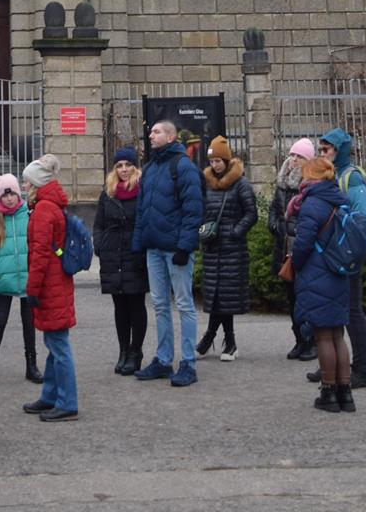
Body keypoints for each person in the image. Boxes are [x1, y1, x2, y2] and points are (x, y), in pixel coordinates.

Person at [132, 119, 203, 387]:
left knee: (184, 304)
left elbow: (193, 209)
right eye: (151, 131)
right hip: (153, 249)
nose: (150, 135)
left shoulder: (183, 167)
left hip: (175, 250)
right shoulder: (149, 169)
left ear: (171, 137)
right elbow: (143, 210)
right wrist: (139, 244)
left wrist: (185, 247)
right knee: (160, 305)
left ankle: (188, 363)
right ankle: (163, 360)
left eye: (156, 131)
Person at [291, 156, 355, 413]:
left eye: (306, 174)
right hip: (339, 271)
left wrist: (294, 264)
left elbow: (303, 243)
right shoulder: (341, 199)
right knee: (338, 334)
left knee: (323, 335)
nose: (303, 178)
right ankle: (346, 393)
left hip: (318, 273)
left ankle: (328, 392)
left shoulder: (312, 204)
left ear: (313, 177)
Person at [315, 128, 366, 388]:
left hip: (346, 256)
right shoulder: (332, 175)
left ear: (339, 152)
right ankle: (331, 365)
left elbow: (362, 219)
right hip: (332, 255)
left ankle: (362, 370)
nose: (321, 154)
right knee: (332, 310)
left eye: (325, 150)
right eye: (320, 149)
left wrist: (346, 250)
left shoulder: (352, 178)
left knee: (352, 311)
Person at [21, 153, 78, 422]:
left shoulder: (44, 209)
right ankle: (51, 396)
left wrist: (32, 288)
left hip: (50, 282)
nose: (23, 187)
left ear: (36, 184)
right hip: (57, 280)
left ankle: (67, 402)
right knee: (54, 342)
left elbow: (40, 253)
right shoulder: (50, 204)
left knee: (59, 344)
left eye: (26, 183)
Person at [196, 136, 258, 361]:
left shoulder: (240, 184)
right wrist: (203, 229)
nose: (215, 165)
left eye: (219, 161)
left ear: (227, 159)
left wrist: (235, 231)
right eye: (212, 161)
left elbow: (252, 213)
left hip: (233, 250)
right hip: (212, 248)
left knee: (225, 297)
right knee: (215, 296)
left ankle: (216, 339)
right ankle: (224, 341)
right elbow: (202, 210)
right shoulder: (206, 183)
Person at [0, 175, 40, 385]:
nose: (9, 199)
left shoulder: (29, 215)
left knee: (28, 323)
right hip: (4, 279)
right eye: (5, 194)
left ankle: (32, 365)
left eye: (12, 193)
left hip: (26, 277)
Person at [92, 147, 149, 376]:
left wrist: (142, 247)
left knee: (136, 305)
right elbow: (98, 224)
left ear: (135, 166)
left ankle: (136, 352)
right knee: (120, 307)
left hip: (135, 254)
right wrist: (99, 245)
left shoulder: (143, 190)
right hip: (112, 255)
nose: (123, 169)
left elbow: (147, 221)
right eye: (119, 165)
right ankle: (123, 351)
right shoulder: (108, 192)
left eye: (127, 165)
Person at [268, 139, 317, 360]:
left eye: (299, 156)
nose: (294, 160)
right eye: (292, 155)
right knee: (292, 299)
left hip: (303, 251)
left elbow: (311, 218)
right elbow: (273, 213)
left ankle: (312, 341)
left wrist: (294, 229)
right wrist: (278, 226)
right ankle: (299, 339)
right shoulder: (281, 185)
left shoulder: (310, 185)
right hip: (284, 250)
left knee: (306, 298)